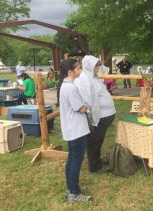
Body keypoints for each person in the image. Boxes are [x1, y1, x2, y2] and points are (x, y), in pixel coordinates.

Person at [58, 58, 92, 203]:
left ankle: (71, 187)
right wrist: (87, 106)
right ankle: (74, 194)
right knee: (76, 160)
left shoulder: (66, 86)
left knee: (72, 159)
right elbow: (80, 108)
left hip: (72, 128)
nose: (81, 70)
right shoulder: (70, 87)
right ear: (70, 72)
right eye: (78, 68)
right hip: (76, 129)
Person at [75, 55, 116, 173]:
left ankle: (96, 161)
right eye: (96, 65)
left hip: (104, 116)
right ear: (89, 66)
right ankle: (94, 167)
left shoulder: (93, 76)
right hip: (97, 117)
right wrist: (91, 116)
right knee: (94, 141)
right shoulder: (84, 79)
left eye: (98, 65)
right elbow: (86, 99)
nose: (98, 67)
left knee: (98, 140)